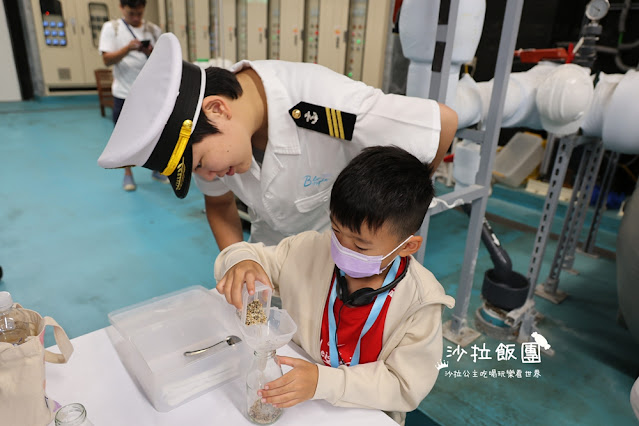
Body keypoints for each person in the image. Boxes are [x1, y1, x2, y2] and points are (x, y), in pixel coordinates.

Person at [97, 33, 457, 245]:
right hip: (274, 264)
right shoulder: (222, 142)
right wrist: (238, 258)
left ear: (217, 109)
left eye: (202, 165)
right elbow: (220, 206)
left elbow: (440, 124)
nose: (208, 178)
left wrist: (384, 233)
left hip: (343, 266)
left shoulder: (326, 107)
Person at [214, 146, 455, 425]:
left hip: (367, 412)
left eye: (361, 245)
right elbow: (249, 257)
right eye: (337, 230)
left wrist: (323, 382)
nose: (342, 248)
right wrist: (240, 260)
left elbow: (404, 387)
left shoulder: (420, 302)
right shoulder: (309, 250)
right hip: (298, 403)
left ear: (407, 246)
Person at [98, 0, 168, 191]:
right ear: (121, 8)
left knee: (154, 134)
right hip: (124, 93)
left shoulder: (153, 30)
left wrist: (149, 51)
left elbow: (162, 60)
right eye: (131, 14)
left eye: (139, 13)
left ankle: (155, 169)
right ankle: (127, 174)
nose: (136, 18)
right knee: (124, 137)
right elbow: (106, 60)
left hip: (149, 94)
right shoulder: (111, 29)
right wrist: (127, 48)